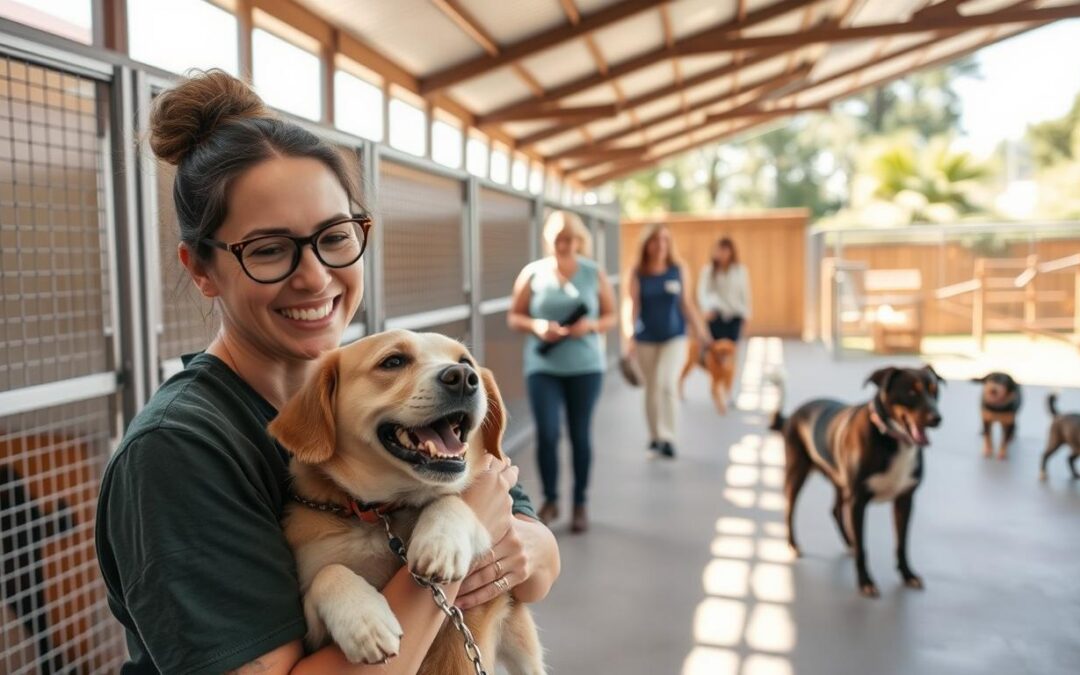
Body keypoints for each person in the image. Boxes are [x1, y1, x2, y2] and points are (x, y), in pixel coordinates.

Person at [94, 70, 559, 675]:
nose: (314, 277)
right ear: (201, 269)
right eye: (268, 249)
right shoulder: (178, 450)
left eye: (334, 237)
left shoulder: (392, 396)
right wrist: (454, 548)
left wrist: (505, 536)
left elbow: (538, 568)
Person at [507, 211, 616, 534]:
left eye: (570, 239)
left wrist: (590, 326)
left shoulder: (593, 273)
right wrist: (537, 326)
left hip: (586, 367)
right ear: (548, 240)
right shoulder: (533, 273)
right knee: (548, 433)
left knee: (580, 434)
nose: (565, 245)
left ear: (579, 240)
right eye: (558, 239)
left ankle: (580, 502)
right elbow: (514, 316)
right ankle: (551, 499)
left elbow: (610, 315)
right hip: (543, 367)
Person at [625, 224, 710, 459]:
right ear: (647, 244)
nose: (660, 245)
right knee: (651, 388)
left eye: (664, 240)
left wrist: (701, 332)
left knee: (667, 383)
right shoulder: (637, 272)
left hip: (674, 337)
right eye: (655, 240)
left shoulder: (678, 269)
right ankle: (654, 438)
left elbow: (686, 303)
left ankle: (669, 437)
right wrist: (630, 335)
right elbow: (632, 306)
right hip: (645, 338)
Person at [697, 236, 751, 345]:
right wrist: (706, 308)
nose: (722, 253)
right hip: (716, 314)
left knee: (732, 348)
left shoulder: (740, 271)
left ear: (731, 252)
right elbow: (702, 292)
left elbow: (745, 293)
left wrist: (746, 314)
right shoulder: (708, 271)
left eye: (725, 250)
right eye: (720, 250)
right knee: (715, 348)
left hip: (735, 314)